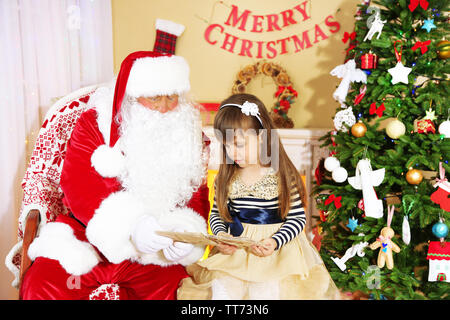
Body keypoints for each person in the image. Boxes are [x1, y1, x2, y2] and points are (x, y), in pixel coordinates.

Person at [20, 51, 211, 300]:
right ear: (132, 96)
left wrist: (183, 234)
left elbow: (196, 194)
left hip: (153, 252)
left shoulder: (185, 134)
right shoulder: (93, 124)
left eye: (172, 96)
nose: (164, 107)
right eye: (154, 97)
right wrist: (133, 226)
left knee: (178, 291)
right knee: (43, 285)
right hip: (86, 241)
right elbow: (78, 187)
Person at [177, 93, 340, 300]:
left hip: (274, 254)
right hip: (236, 254)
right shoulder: (225, 177)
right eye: (226, 145)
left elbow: (297, 219)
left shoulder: (282, 175)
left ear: (262, 137)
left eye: (239, 144)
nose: (232, 152)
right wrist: (221, 238)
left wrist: (274, 241)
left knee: (265, 293)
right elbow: (217, 215)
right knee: (222, 290)